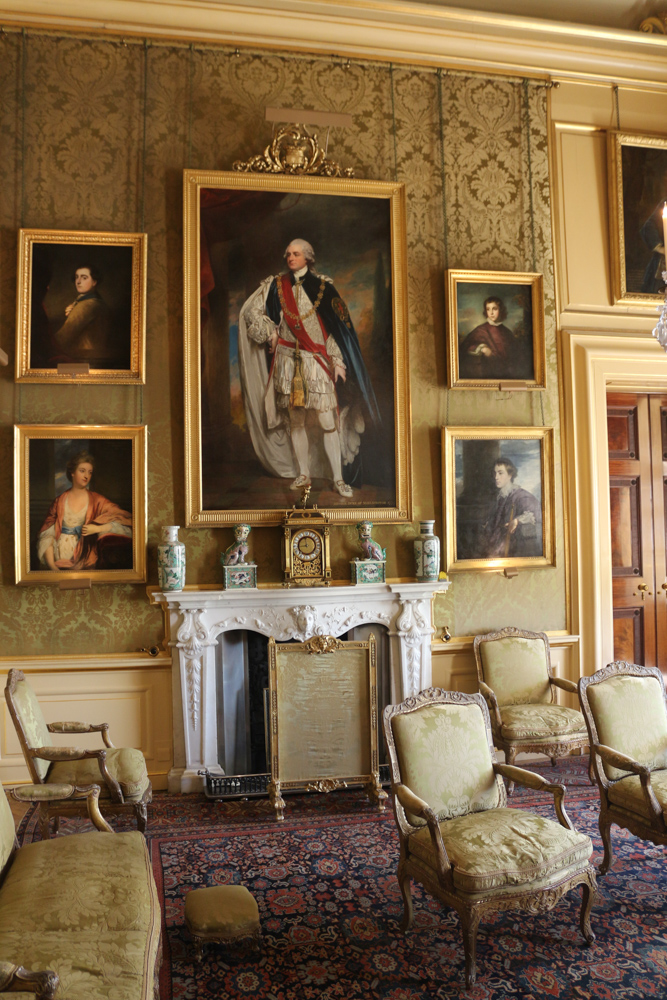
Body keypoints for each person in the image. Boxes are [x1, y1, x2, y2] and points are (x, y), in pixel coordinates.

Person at [238, 239, 380, 498]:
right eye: (288, 254)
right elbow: (251, 313)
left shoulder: (324, 288)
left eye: (295, 254)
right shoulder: (276, 285)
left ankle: (337, 478)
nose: (290, 258)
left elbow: (335, 330)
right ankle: (303, 473)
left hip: (315, 362)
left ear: (308, 258)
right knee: (296, 421)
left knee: (328, 422)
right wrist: (270, 331)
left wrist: (337, 361)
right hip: (286, 363)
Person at [37, 451, 132, 571]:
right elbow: (47, 535)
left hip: (86, 555)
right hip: (59, 555)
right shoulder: (59, 501)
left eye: (90, 472)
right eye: (82, 471)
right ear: (72, 472)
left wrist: (98, 528)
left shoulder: (97, 500)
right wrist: (52, 566)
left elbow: (124, 520)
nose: (86, 475)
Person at [52, 264, 113, 365]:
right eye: (76, 277)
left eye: (84, 278)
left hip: (83, 360)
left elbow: (62, 338)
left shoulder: (87, 305)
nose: (78, 281)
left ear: (94, 282)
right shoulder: (97, 302)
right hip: (96, 358)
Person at [459, 296, 532, 381]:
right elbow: (465, 347)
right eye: (488, 309)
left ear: (500, 310)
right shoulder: (481, 330)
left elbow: (517, 355)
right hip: (487, 373)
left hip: (506, 375)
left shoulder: (507, 332)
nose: (491, 313)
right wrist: (482, 348)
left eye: (494, 309)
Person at [484, 457, 541, 558]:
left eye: (500, 473)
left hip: (514, 546)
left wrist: (517, 520)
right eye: (495, 473)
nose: (496, 477)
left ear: (510, 475)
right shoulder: (501, 496)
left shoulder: (521, 495)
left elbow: (535, 512)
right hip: (498, 543)